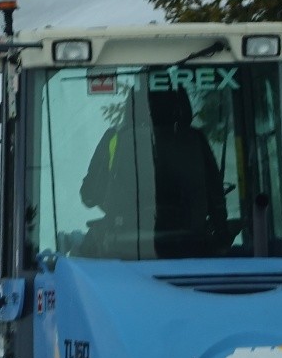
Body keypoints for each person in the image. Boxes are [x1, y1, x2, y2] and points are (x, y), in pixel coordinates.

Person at [79, 87, 227, 258]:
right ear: (181, 108)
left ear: (132, 108)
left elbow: (89, 196)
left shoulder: (116, 139)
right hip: (192, 247)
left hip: (124, 250)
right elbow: (216, 198)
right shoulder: (195, 140)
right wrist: (220, 232)